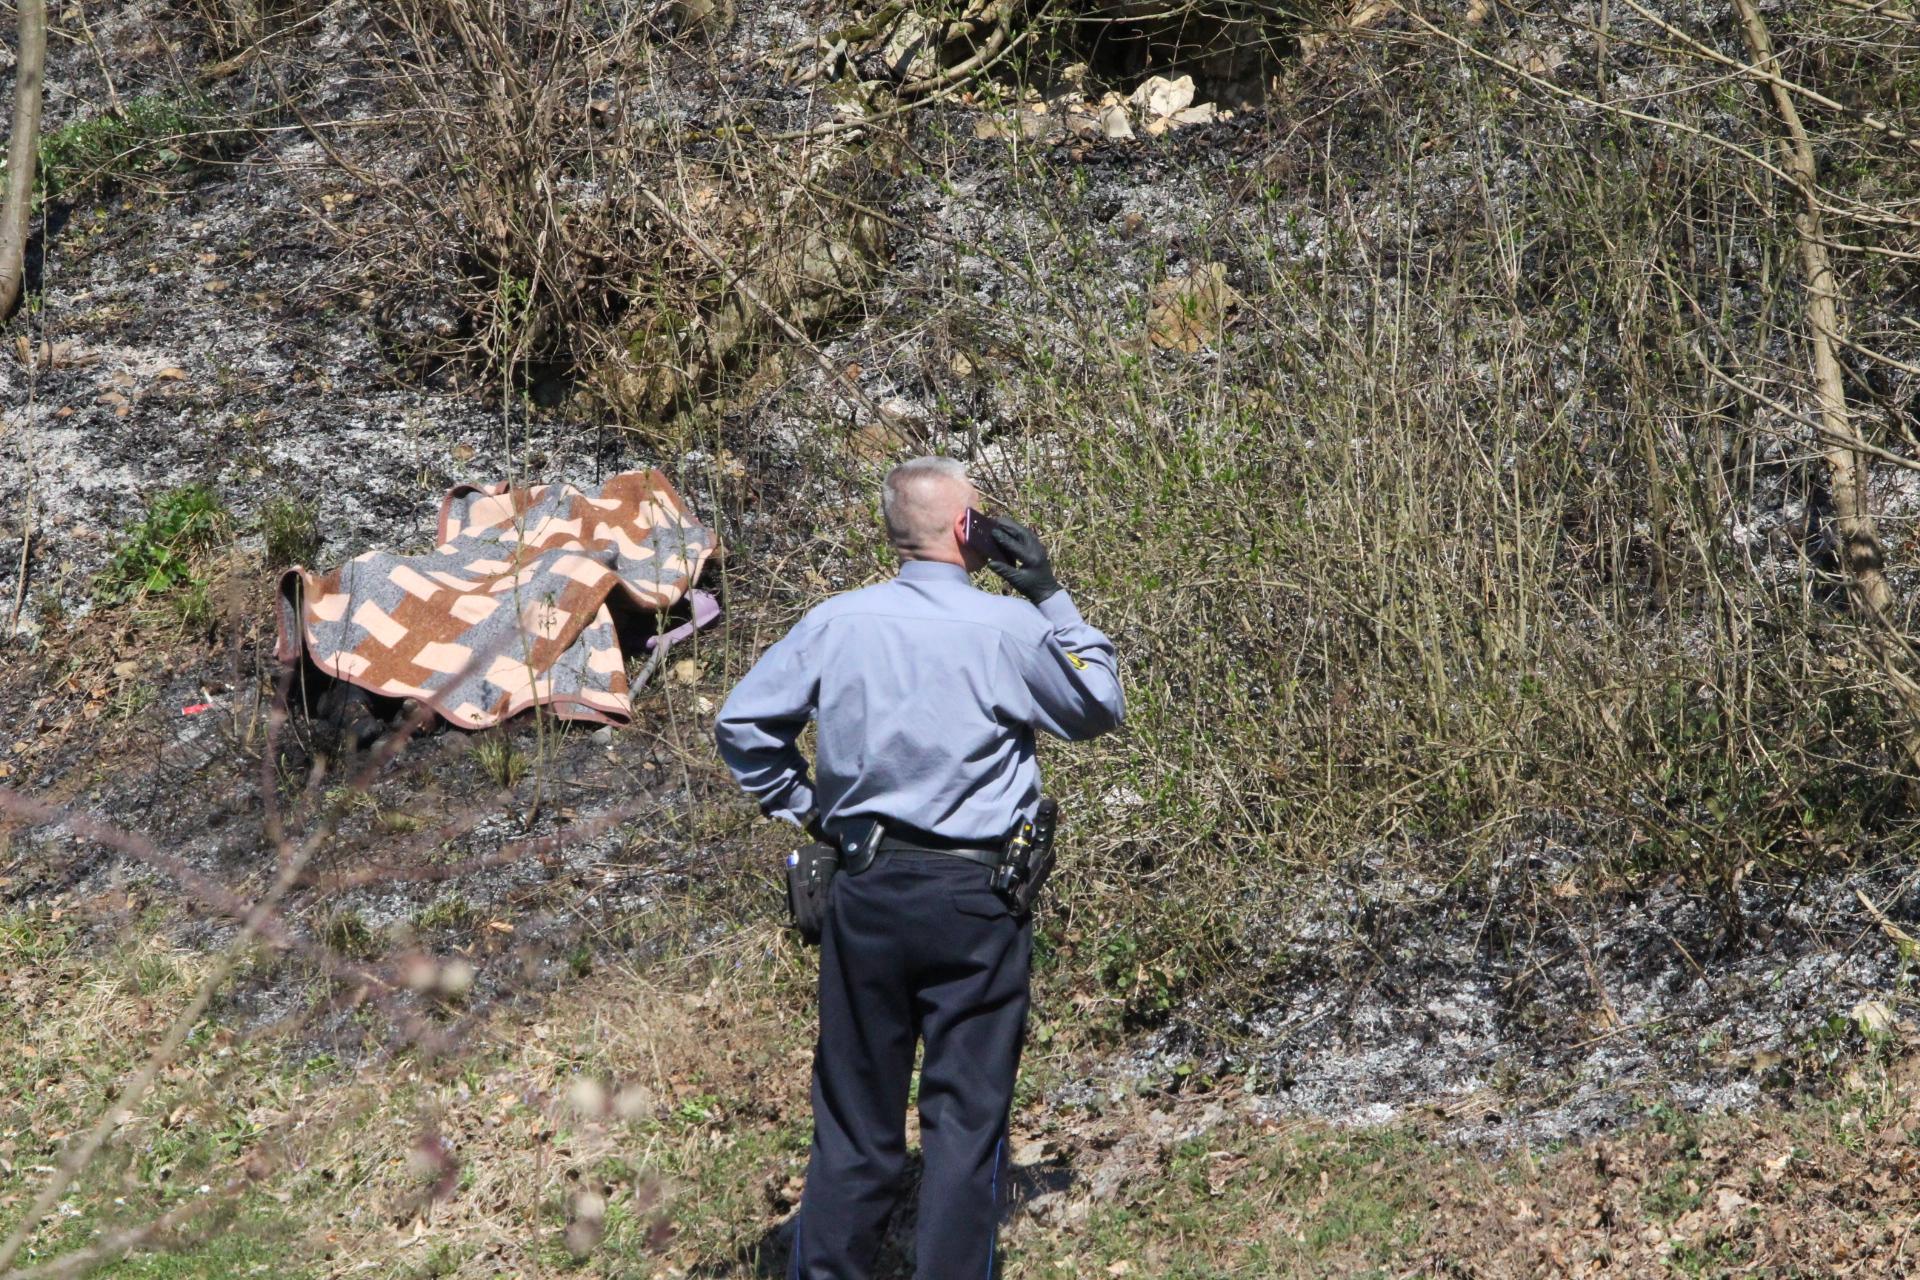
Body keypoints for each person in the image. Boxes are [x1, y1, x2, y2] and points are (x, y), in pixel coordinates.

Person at [715, 456, 1124, 1280]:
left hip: (864, 889)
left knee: (854, 1127)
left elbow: (742, 725)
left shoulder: (837, 622)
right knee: (965, 1129)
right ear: (970, 530)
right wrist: (1047, 591)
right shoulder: (1008, 631)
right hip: (977, 900)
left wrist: (808, 807)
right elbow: (1099, 705)